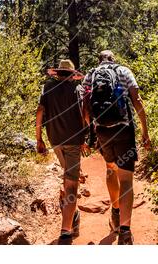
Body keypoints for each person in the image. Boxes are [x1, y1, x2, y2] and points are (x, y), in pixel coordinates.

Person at [82, 50, 150, 245]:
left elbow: (85, 107)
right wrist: (145, 131)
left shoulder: (91, 75)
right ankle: (126, 232)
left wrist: (91, 132)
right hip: (124, 129)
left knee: (110, 168)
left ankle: (115, 213)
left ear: (99, 60)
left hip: (102, 130)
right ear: (113, 59)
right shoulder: (124, 71)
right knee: (126, 179)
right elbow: (137, 101)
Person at [36, 59, 90, 245]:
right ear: (72, 75)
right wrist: (85, 139)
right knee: (71, 185)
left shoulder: (47, 89)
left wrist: (39, 139)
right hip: (73, 141)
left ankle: (72, 216)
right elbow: (84, 115)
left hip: (55, 140)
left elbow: (39, 112)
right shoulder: (77, 90)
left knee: (68, 176)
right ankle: (66, 231)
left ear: (58, 73)